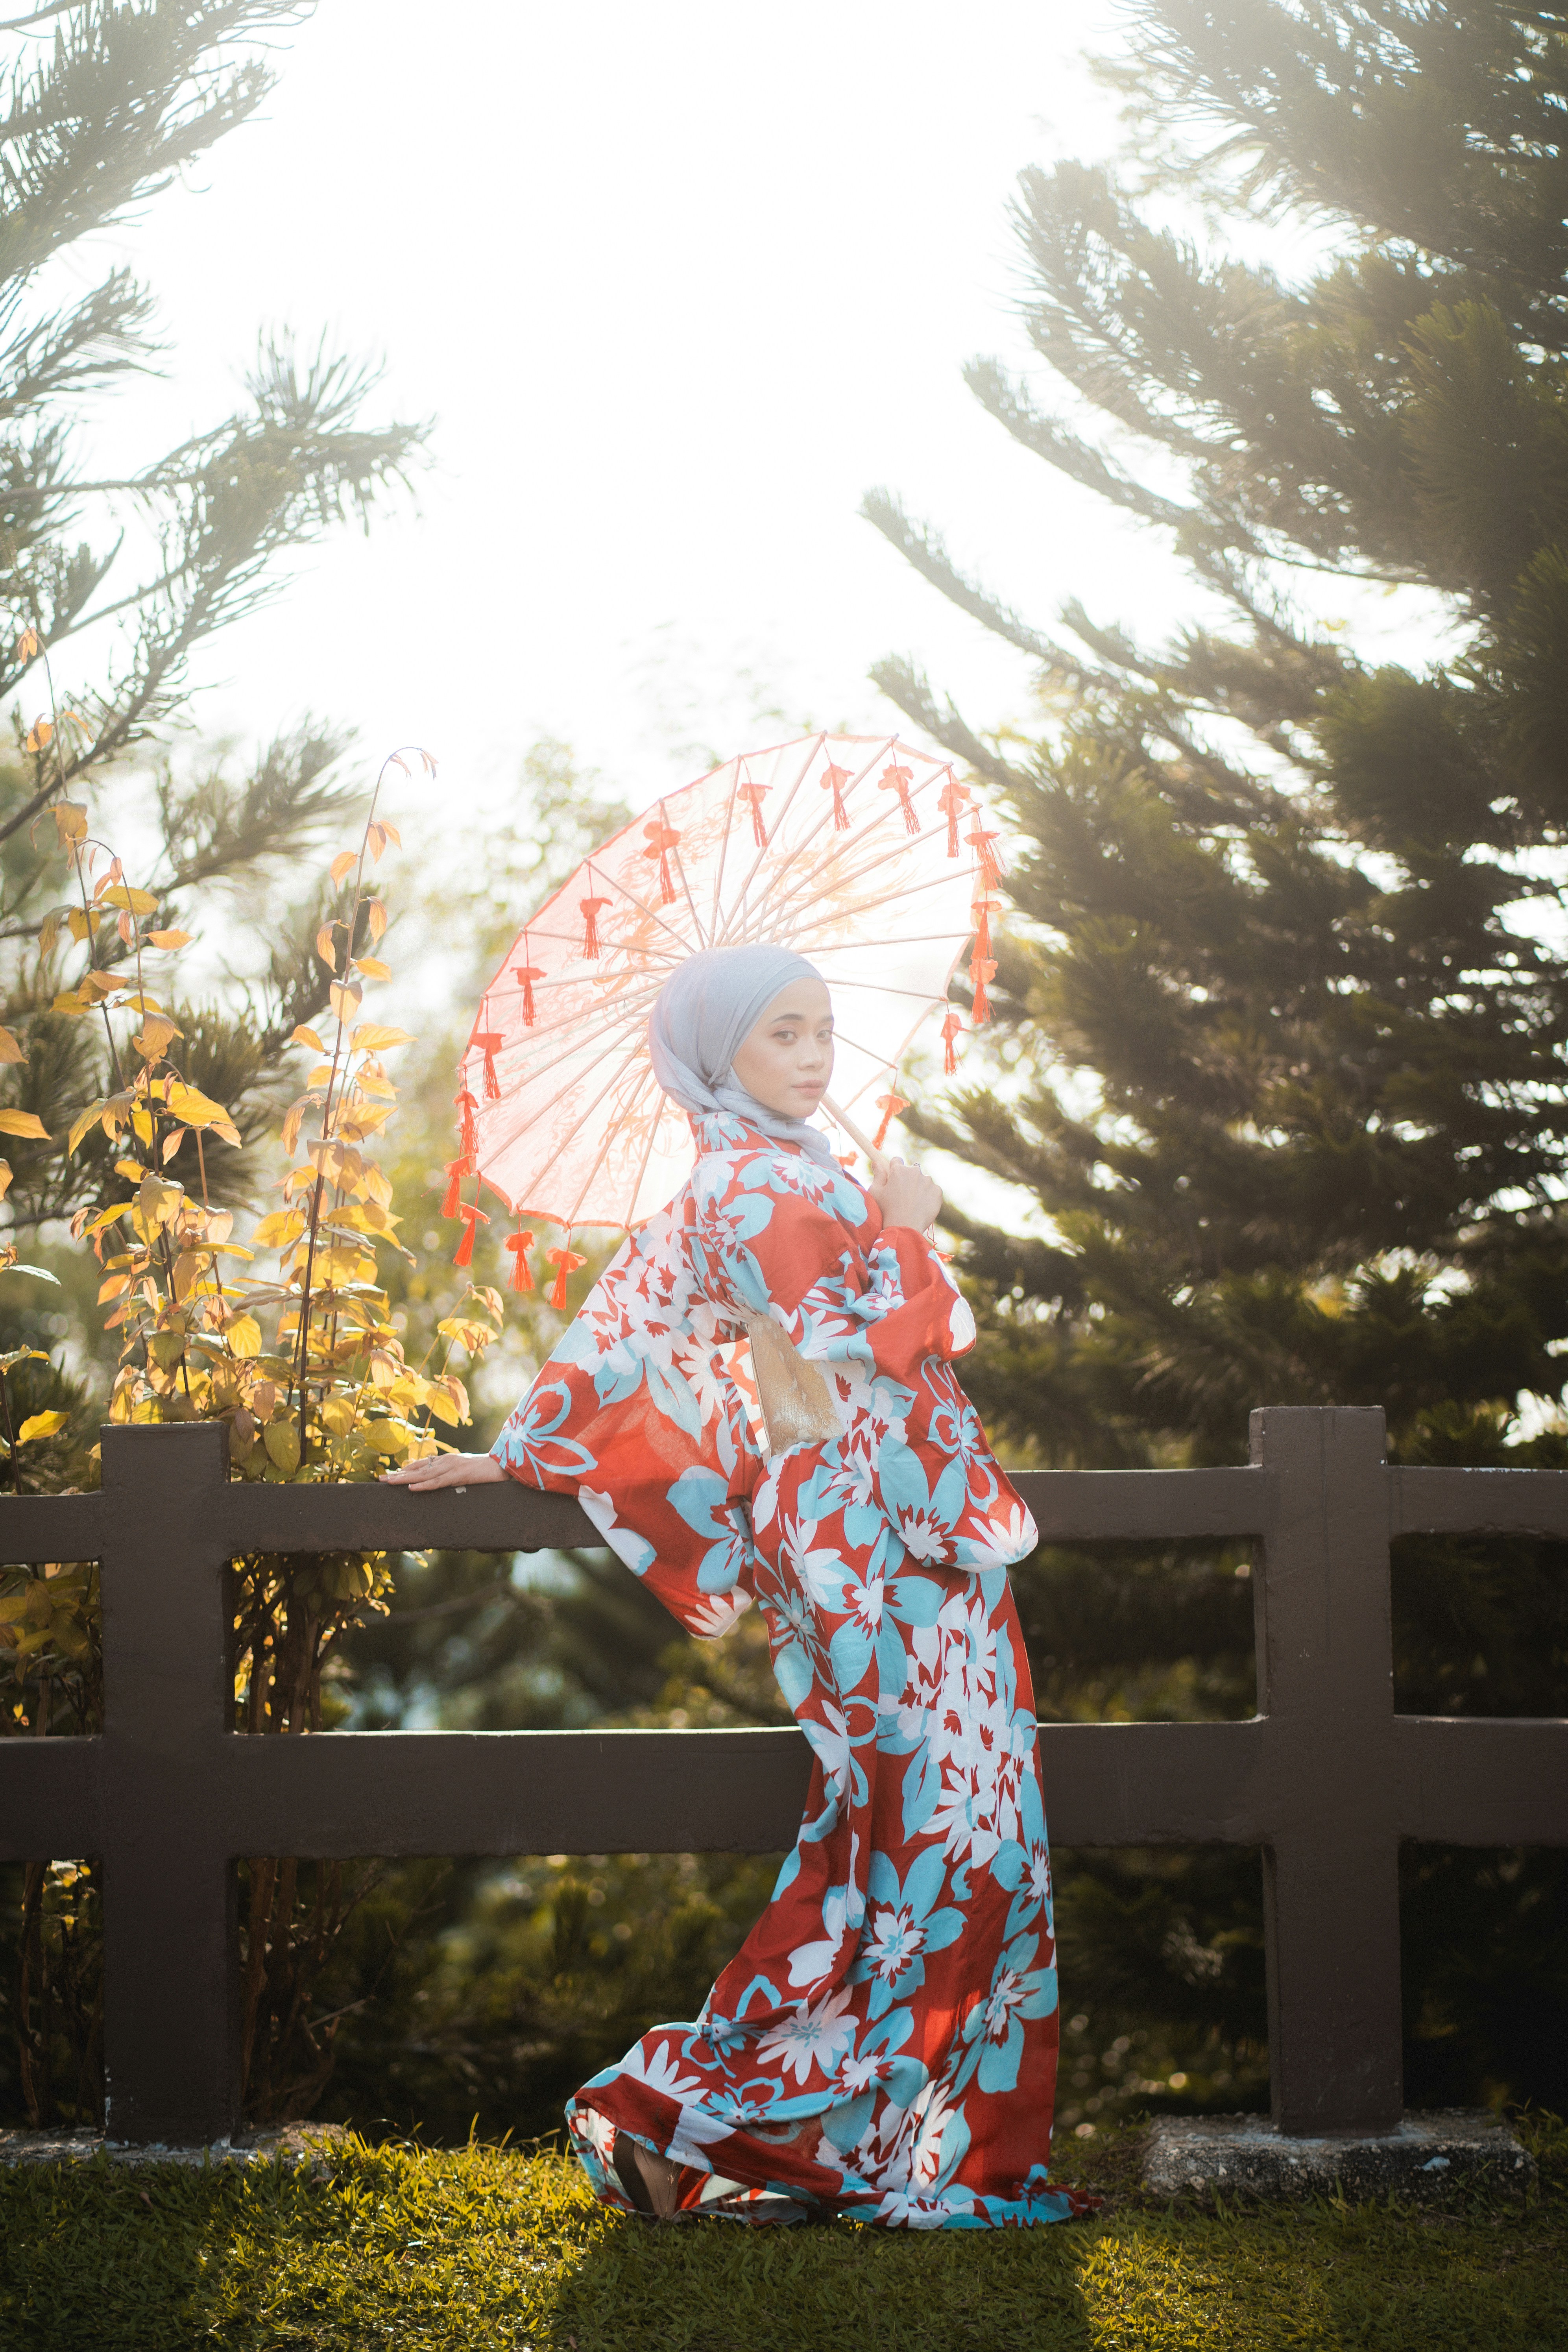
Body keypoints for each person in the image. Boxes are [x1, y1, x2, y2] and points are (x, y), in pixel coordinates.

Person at [383, 943, 1087, 2229]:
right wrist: (911, 1226)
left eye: (823, 1028)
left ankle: (832, 2139)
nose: (815, 1054)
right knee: (932, 1843)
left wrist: (885, 1222)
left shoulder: (791, 1167)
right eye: (783, 1033)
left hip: (912, 1539)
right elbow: (848, 1337)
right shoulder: (748, 1181)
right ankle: (687, 2106)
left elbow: (643, 1317)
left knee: (948, 1844)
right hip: (864, 1553)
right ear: (719, 1056)